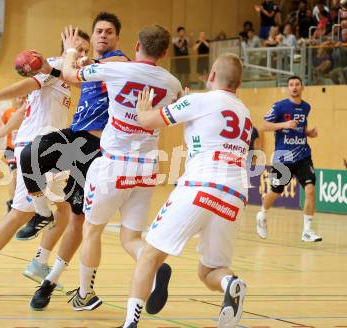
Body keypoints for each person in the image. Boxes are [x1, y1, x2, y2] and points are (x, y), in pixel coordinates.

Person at [30, 24, 182, 313]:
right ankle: (152, 269)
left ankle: (85, 293)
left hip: (114, 164)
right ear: (164, 52)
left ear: (136, 46)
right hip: (148, 168)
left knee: (91, 230)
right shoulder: (172, 82)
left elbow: (70, 75)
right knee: (131, 238)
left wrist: (71, 49)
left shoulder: (117, 70)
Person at [119, 53, 250, 328]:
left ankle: (130, 323)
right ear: (238, 83)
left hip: (201, 185)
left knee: (150, 254)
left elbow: (149, 121)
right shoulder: (244, 112)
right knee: (210, 271)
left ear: (211, 75)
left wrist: (143, 109)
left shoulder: (201, 99)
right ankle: (230, 282)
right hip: (235, 194)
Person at [0, 31, 91, 296]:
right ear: (68, 48)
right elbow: (27, 87)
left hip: (52, 148)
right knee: (20, 212)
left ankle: (39, 263)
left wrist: (3, 130)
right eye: (79, 48)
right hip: (33, 149)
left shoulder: (70, 74)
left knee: (64, 209)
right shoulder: (54, 65)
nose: (83, 54)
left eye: (85, 49)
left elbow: (25, 108)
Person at [18, 12, 130, 309]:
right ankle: (42, 212)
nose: (103, 35)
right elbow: (76, 79)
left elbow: (77, 72)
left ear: (117, 38)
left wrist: (69, 54)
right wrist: (51, 69)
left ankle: (50, 281)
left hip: (96, 147)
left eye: (109, 31)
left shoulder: (120, 62)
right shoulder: (89, 68)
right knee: (30, 155)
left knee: (79, 219)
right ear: (93, 37)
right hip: (75, 137)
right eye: (99, 32)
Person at [256, 75, 322, 242]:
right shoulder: (279, 107)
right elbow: (263, 126)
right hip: (283, 157)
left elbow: (301, 127)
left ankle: (307, 230)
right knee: (276, 191)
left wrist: (308, 133)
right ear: (287, 88)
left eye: (297, 84)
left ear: (302, 87)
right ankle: (262, 214)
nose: (294, 87)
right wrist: (283, 125)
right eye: (291, 84)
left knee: (310, 189)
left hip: (303, 156)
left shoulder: (306, 107)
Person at [0, 96, 26, 212]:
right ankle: (12, 202)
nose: (20, 100)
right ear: (15, 99)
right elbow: (2, 127)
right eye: (18, 98)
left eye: (23, 98)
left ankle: (21, 202)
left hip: (24, 150)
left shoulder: (29, 113)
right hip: (10, 149)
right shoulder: (9, 112)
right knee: (13, 175)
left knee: (21, 177)